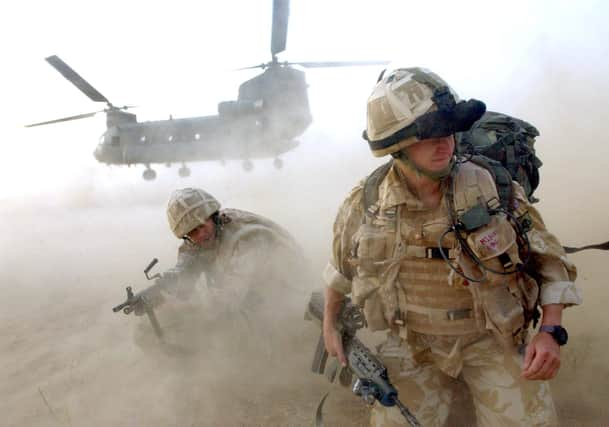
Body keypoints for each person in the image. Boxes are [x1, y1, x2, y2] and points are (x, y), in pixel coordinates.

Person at [321, 67, 581, 426]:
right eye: (429, 135)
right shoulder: (366, 203)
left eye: (449, 131)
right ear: (396, 144)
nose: (445, 143)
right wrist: (330, 324)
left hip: (490, 340)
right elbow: (340, 273)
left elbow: (552, 264)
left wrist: (551, 332)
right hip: (413, 346)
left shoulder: (492, 189)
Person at [128, 187, 308, 355]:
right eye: (191, 233)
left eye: (201, 226)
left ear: (213, 216)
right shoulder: (201, 237)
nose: (200, 235)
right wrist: (161, 291)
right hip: (252, 293)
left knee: (225, 329)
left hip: (290, 295)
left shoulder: (247, 238)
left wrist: (176, 309)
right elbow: (185, 270)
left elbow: (228, 299)